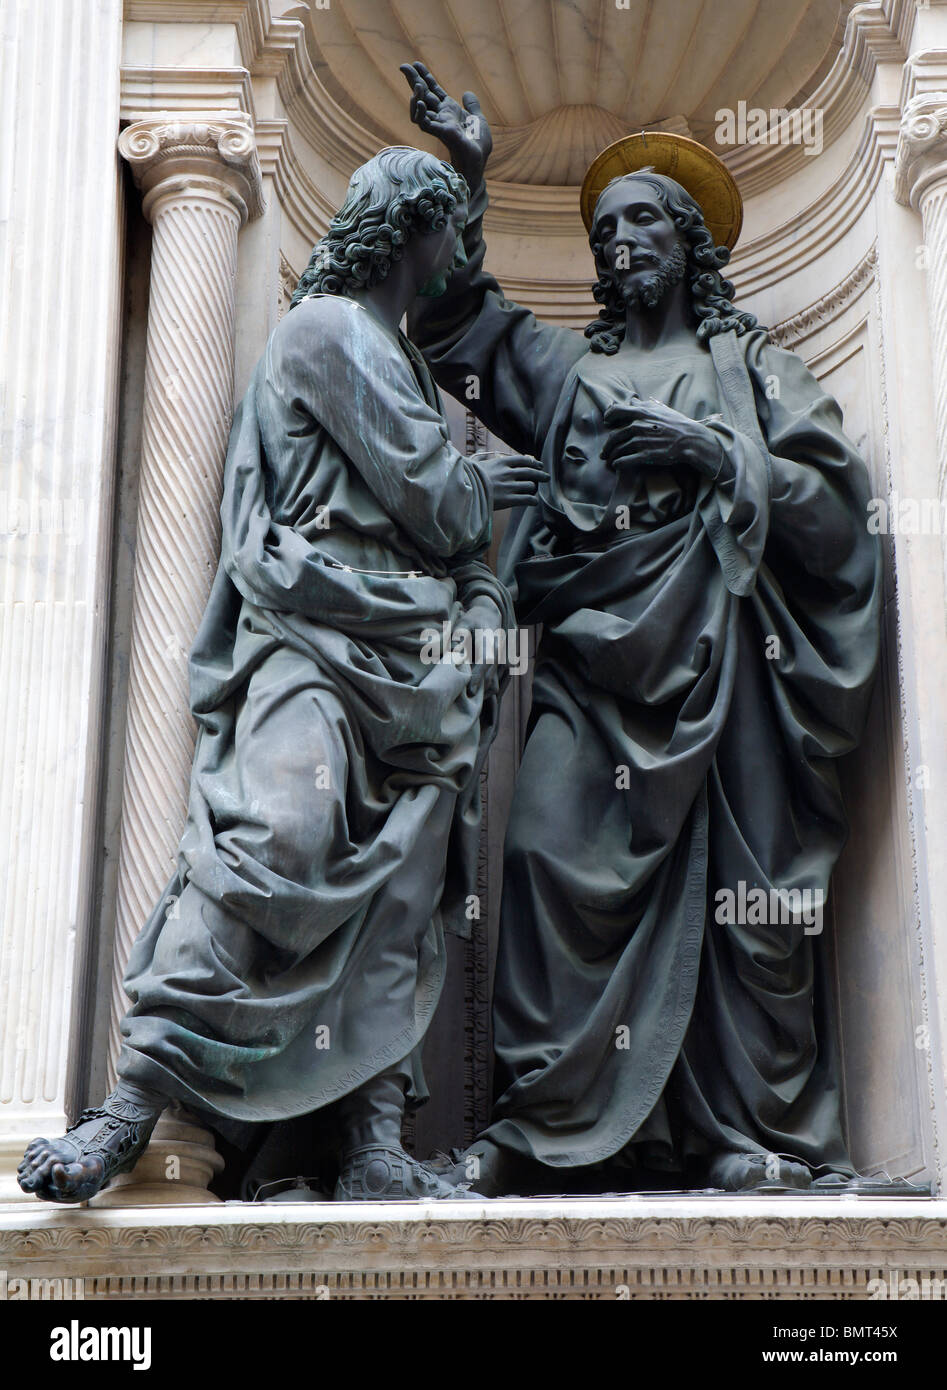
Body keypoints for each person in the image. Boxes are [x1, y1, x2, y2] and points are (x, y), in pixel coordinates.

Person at [401, 62, 917, 1196]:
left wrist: (714, 455)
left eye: (641, 222)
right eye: (602, 228)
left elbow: (834, 509)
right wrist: (471, 173)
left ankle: (740, 1132)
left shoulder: (753, 371)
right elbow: (451, 325)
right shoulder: (568, 375)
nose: (617, 242)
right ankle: (548, 1127)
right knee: (539, 852)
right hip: (593, 670)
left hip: (726, 662)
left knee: (746, 897)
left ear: (690, 246)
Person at [18, 145, 544, 1205]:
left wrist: (476, 582)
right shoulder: (326, 332)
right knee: (273, 843)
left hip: (417, 667)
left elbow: (451, 542)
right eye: (451, 230)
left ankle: (373, 1142)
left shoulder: (395, 351)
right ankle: (135, 1104)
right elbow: (438, 503)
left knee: (398, 898)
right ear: (410, 230)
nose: (460, 253)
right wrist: (478, 483)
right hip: (314, 635)